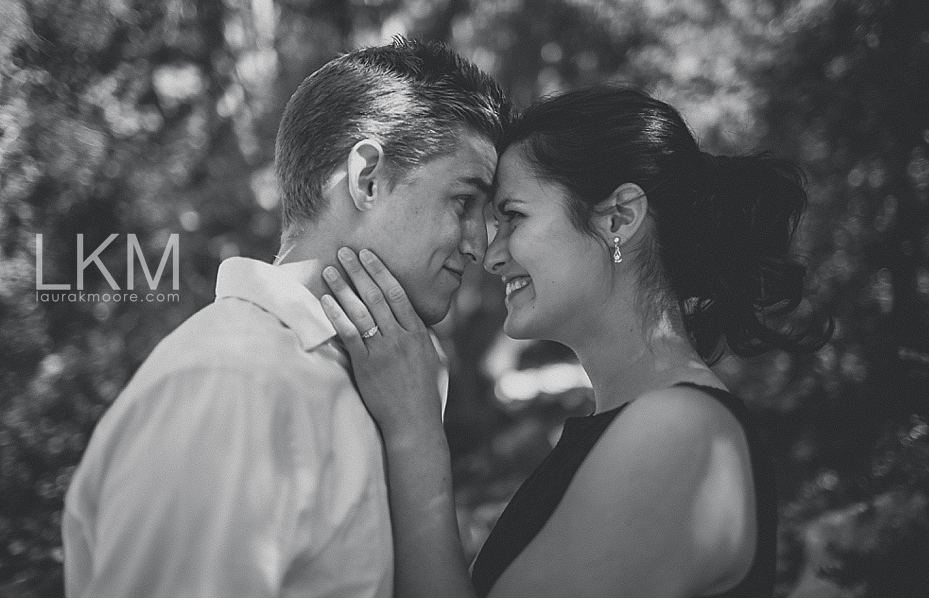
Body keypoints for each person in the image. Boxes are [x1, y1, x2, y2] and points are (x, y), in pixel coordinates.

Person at [320, 84, 831, 596]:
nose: (491, 255)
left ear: (619, 218)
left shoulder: (677, 432)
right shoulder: (642, 423)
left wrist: (416, 431)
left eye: (513, 217)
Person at [61, 37, 511, 597]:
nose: (478, 245)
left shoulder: (397, 374)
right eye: (464, 201)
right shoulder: (230, 386)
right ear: (366, 177)